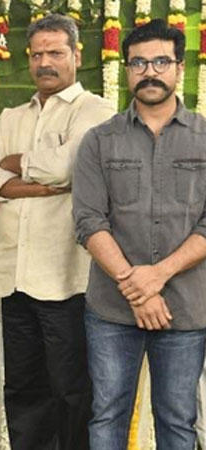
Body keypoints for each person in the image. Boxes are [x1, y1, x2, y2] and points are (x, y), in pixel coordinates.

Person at [0, 13, 115, 450]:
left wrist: (16, 167)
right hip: (13, 278)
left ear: (77, 55)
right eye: (37, 55)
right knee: (23, 388)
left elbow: (67, 167)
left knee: (71, 390)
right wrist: (43, 183)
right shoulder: (11, 117)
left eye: (55, 52)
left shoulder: (97, 111)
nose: (45, 63)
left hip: (65, 280)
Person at [73, 19, 206, 450]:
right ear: (127, 70)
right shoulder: (99, 141)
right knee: (107, 415)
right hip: (112, 310)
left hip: (186, 308)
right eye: (139, 63)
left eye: (161, 62)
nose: (150, 72)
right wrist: (139, 289)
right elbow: (89, 221)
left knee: (178, 420)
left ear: (180, 67)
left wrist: (157, 275)